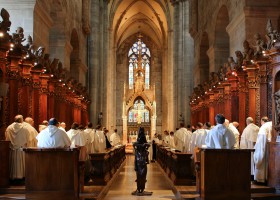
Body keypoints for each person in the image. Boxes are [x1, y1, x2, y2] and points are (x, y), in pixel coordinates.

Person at [5, 115, 29, 180]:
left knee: (14, 164)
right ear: (21, 120)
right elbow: (27, 138)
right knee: (21, 164)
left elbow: (7, 138)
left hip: (12, 150)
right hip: (21, 149)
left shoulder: (9, 128)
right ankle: (22, 176)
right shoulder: (25, 128)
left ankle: (12, 176)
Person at [132, 127, 151, 195]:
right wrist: (145, 147)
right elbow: (147, 145)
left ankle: (139, 188)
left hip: (138, 158)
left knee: (139, 173)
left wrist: (136, 148)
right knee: (143, 174)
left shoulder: (138, 139)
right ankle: (141, 188)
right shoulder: (144, 139)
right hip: (142, 158)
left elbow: (134, 145)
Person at [254, 116, 272, 184]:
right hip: (272, 150)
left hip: (264, 147)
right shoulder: (273, 124)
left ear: (262, 121)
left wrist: (257, 154)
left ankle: (261, 179)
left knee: (262, 163)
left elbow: (261, 143)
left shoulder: (264, 127)